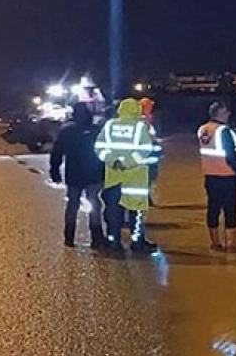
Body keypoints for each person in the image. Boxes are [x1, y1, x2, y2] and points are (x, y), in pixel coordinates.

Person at [95, 97, 158, 252]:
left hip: (114, 178)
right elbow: (145, 149)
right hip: (134, 179)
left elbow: (99, 147)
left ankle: (114, 241)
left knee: (114, 213)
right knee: (136, 213)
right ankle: (137, 242)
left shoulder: (109, 126)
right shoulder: (139, 127)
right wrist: (128, 162)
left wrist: (113, 161)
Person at [49, 102, 106, 248]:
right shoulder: (95, 130)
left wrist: (54, 171)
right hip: (93, 173)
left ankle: (69, 236)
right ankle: (97, 237)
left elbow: (57, 152)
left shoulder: (67, 131)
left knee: (72, 205)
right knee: (94, 204)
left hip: (73, 174)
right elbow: (103, 152)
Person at [197, 102, 236, 252]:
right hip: (226, 175)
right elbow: (230, 155)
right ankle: (231, 243)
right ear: (219, 114)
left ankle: (215, 242)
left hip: (210, 176)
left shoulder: (202, 129)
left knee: (213, 209)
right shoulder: (224, 131)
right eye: (225, 112)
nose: (228, 114)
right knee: (230, 210)